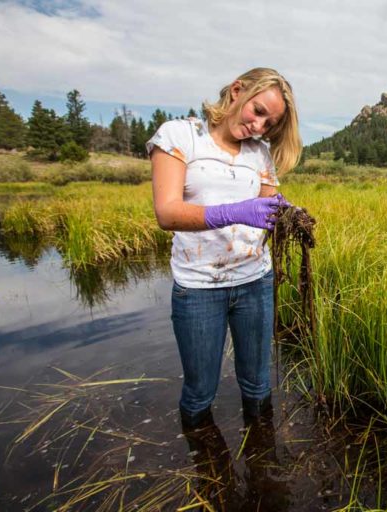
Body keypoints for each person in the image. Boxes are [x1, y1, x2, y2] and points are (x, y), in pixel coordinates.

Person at [147, 68, 302, 428]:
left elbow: (270, 202)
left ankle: (263, 464)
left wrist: (291, 214)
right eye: (258, 112)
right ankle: (207, 469)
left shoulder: (259, 154)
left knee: (258, 384)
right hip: (199, 288)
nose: (259, 127)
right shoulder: (180, 136)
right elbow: (167, 213)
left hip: (255, 282)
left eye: (270, 124)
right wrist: (235, 212)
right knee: (200, 391)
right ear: (236, 92)